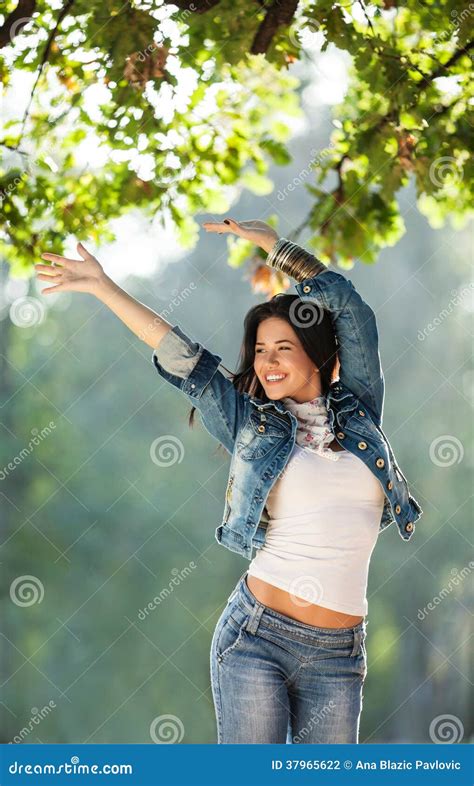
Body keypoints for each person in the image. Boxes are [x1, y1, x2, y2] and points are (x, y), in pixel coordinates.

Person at [34, 217, 423, 744]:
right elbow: (182, 357)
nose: (267, 362)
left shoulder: (360, 409)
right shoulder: (250, 424)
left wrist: (272, 248)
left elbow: (352, 308)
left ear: (317, 353)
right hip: (256, 638)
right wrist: (104, 287)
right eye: (260, 351)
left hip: (340, 653)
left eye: (283, 347)